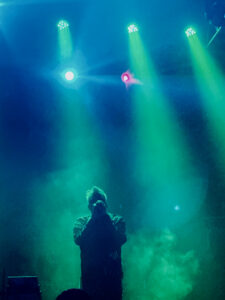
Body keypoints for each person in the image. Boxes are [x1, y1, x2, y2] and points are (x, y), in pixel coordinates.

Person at [73, 186, 127, 300]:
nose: (97, 204)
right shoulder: (81, 222)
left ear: (106, 204)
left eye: (100, 200)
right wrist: (93, 219)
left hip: (112, 279)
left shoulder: (117, 220)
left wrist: (106, 218)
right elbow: (78, 240)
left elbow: (120, 240)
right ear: (89, 206)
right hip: (90, 279)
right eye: (93, 201)